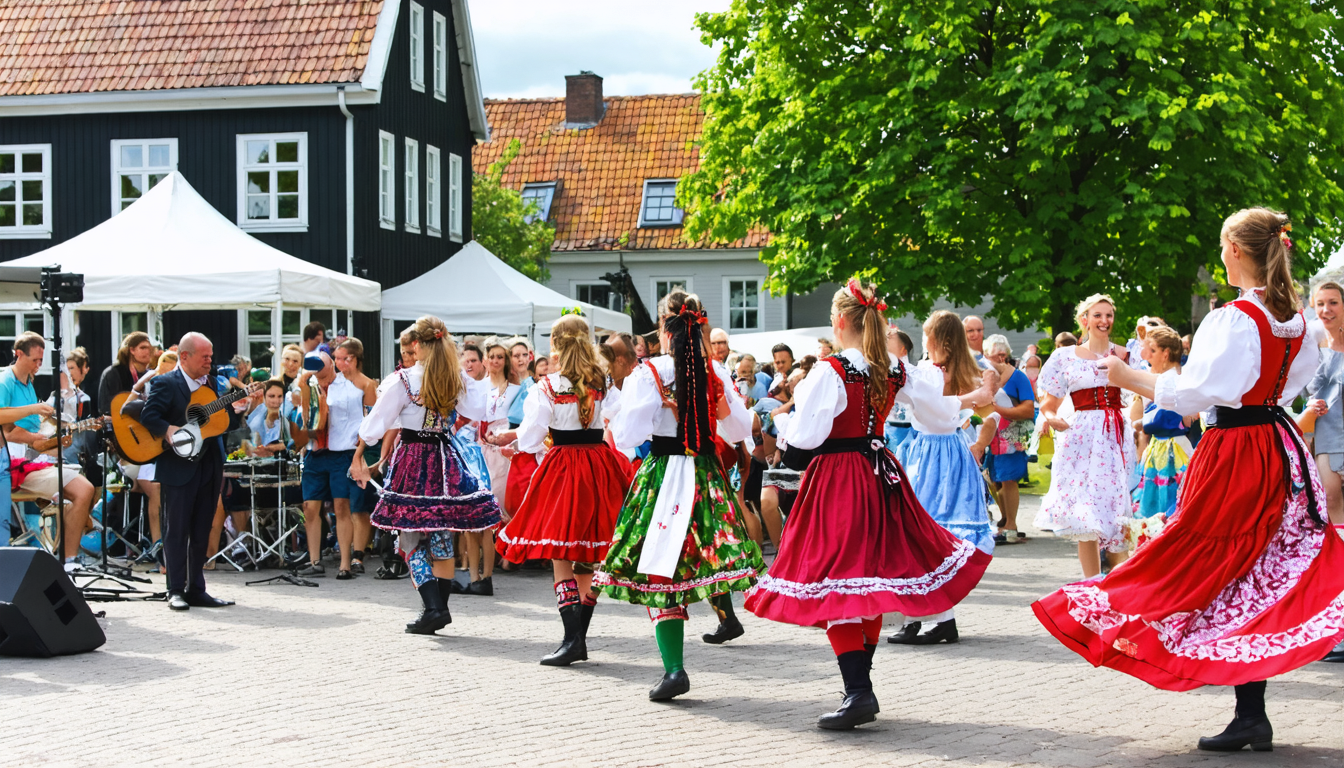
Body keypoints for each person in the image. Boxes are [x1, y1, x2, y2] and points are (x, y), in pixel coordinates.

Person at [1034, 207, 1344, 752]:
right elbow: (1288, 383)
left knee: (1214, 560)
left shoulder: (1236, 318)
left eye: (1224, 246)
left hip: (1237, 449)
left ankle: (1242, 706)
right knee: (1252, 568)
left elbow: (1193, 394)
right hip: (1276, 443)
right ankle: (1251, 713)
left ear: (1237, 251)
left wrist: (1129, 376)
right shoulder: (1293, 320)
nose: (1221, 255)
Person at [745, 280, 993, 730]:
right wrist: (969, 400)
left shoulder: (832, 370)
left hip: (839, 478)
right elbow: (937, 416)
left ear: (841, 321)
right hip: (881, 476)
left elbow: (806, 439)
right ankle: (860, 686)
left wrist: (782, 426)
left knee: (839, 579)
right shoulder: (893, 367)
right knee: (870, 578)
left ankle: (858, 690)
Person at [595, 290, 762, 701]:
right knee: (705, 557)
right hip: (706, 475)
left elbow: (628, 436)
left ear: (664, 329)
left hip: (663, 475)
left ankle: (674, 669)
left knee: (659, 565)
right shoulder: (715, 371)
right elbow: (741, 429)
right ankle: (722, 619)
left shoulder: (649, 373)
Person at [498, 314, 632, 666]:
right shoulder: (602, 382)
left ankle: (573, 638)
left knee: (561, 552)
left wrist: (518, 444)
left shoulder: (548, 386)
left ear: (555, 345)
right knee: (587, 553)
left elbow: (531, 436)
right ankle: (577, 637)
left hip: (564, 468)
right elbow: (619, 418)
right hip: (599, 465)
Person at [352, 316, 500, 632]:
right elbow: (477, 411)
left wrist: (359, 454)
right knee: (441, 535)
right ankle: (438, 610)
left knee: (409, 538)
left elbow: (376, 424)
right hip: (445, 458)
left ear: (418, 345)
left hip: (413, 459)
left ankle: (434, 608)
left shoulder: (404, 380)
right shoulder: (454, 377)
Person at [889, 311, 998, 645]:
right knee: (932, 538)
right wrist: (978, 438)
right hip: (951, 452)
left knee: (922, 537)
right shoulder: (966, 371)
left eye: (926, 334)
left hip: (929, 455)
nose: (923, 340)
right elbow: (989, 411)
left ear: (935, 339)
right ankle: (933, 618)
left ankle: (927, 618)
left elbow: (982, 411)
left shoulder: (929, 372)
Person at [140, 333, 246, 610]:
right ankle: (175, 589)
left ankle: (197, 589)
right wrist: (168, 429)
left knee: (202, 527)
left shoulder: (212, 383)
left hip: (210, 462)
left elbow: (221, 422)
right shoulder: (166, 382)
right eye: (205, 356)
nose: (210, 361)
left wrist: (239, 410)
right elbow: (149, 416)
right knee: (176, 529)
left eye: (211, 355)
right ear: (185, 357)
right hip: (178, 465)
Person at [1035, 294, 1135, 578]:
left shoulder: (1125, 354)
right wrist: (1051, 417)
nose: (1104, 321)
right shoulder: (1065, 356)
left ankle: (1119, 584)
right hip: (1080, 438)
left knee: (1115, 512)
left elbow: (1139, 392)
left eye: (1108, 315)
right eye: (1097, 315)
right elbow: (1049, 403)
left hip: (1114, 436)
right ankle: (1092, 584)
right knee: (1086, 515)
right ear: (1085, 320)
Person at [0, 332, 97, 570]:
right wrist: (34, 413)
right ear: (18, 354)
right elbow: (7, 428)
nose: (38, 365)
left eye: (41, 360)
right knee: (80, 490)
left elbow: (29, 436)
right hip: (13, 464)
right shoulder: (5, 380)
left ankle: (68, 560)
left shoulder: (28, 383)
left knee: (85, 489)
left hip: (29, 459)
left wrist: (52, 441)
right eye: (34, 360)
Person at [1305, 281, 1344, 664]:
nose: (1326, 309)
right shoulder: (1313, 353)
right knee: (1333, 528)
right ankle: (1336, 630)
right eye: (1320, 303)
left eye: (1333, 302)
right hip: (1328, 444)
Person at [1127, 326, 1191, 545]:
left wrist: (1142, 423)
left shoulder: (1174, 380)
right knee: (1155, 496)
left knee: (1168, 496)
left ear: (1166, 354)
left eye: (1152, 351)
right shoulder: (1164, 378)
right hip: (1160, 447)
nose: (1148, 356)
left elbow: (1170, 416)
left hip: (1173, 449)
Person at [469, 338, 519, 595]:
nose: (496, 361)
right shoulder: (477, 387)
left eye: (501, 356)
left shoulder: (516, 389)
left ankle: (494, 565)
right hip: (478, 451)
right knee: (473, 512)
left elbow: (520, 423)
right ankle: (473, 573)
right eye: (492, 356)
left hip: (503, 452)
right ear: (485, 360)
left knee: (495, 507)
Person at [333, 338, 379, 575]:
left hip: (361, 448)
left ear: (356, 359)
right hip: (338, 449)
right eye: (337, 358)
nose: (339, 363)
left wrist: (363, 450)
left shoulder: (367, 384)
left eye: (345, 358)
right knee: (342, 503)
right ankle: (346, 550)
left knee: (359, 504)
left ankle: (359, 554)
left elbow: (371, 420)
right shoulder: (334, 383)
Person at [984, 335, 1035, 545]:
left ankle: (1011, 526)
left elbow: (1028, 409)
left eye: (1003, 354)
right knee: (992, 478)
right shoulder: (984, 375)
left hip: (1010, 437)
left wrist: (996, 409)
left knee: (1008, 478)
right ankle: (1004, 520)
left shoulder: (1018, 377)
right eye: (994, 354)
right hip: (988, 436)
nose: (1000, 358)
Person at [98, 331, 154, 417]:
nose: (148, 351)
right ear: (132, 350)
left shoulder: (151, 375)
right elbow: (106, 408)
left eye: (150, 348)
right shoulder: (113, 373)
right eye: (143, 348)